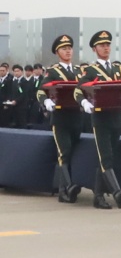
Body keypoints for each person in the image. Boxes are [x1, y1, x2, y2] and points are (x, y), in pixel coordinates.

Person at [75, 30, 121, 209]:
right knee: (105, 156)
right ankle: (116, 191)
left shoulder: (119, 69)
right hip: (100, 119)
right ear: (94, 49)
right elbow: (78, 90)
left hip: (116, 117)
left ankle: (98, 196)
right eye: (102, 45)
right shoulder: (90, 70)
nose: (106, 48)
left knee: (107, 158)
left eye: (107, 45)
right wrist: (85, 102)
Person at [36, 35, 84, 204]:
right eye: (64, 49)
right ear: (57, 52)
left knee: (73, 153)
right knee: (64, 152)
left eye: (70, 48)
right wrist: (46, 101)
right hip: (61, 118)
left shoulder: (78, 71)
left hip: (77, 117)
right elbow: (41, 90)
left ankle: (68, 189)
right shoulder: (53, 71)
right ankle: (65, 189)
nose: (68, 51)